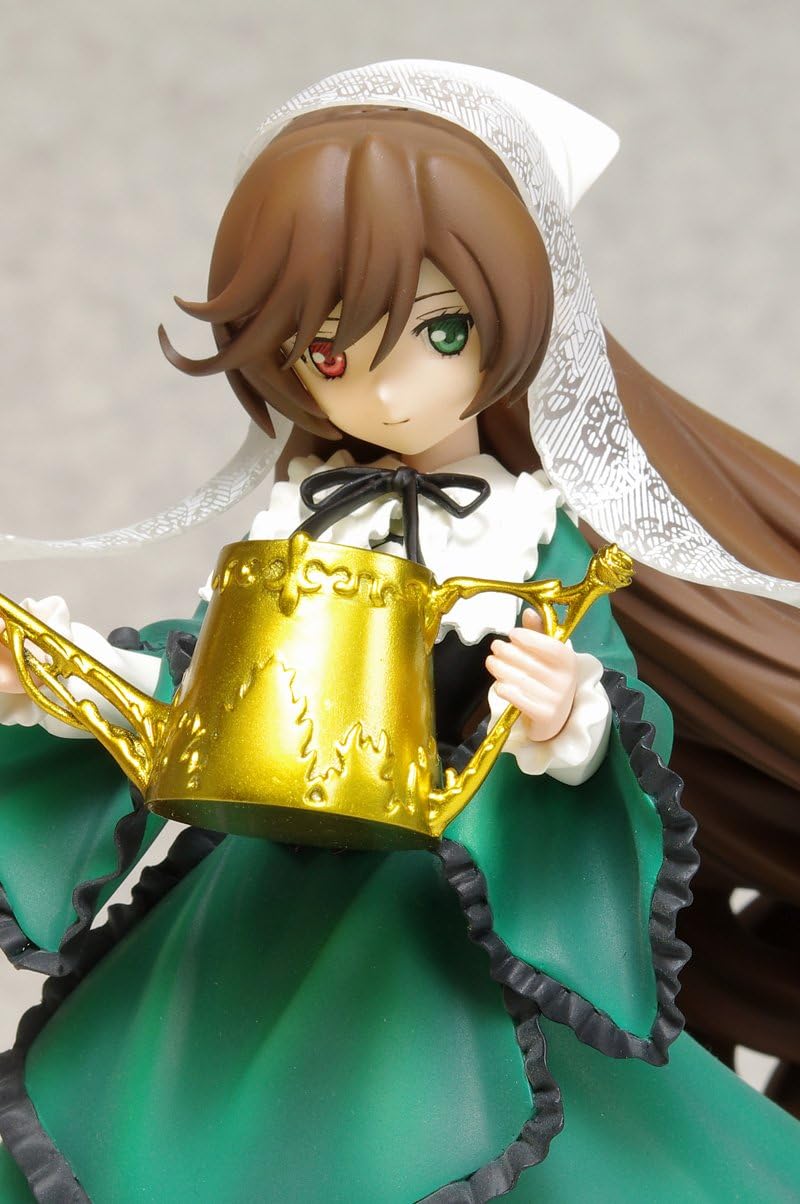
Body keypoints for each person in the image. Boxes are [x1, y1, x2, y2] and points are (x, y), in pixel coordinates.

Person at [0, 60, 798, 1202]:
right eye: (327, 352)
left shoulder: (524, 536)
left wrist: (562, 719)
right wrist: (57, 675)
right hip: (256, 907)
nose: (383, 392)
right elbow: (202, 682)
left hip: (433, 918)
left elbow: (615, 699)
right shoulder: (303, 518)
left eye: (439, 329)